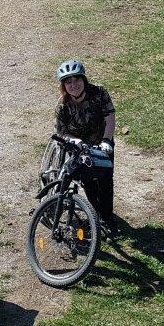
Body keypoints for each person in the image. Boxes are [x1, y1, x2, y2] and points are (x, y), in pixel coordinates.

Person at [53, 59, 119, 234]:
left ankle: (107, 216)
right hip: (80, 146)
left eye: (77, 80)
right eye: (68, 82)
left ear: (84, 80)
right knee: (88, 180)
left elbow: (110, 117)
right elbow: (62, 132)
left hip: (102, 141)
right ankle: (95, 214)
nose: (73, 85)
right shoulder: (62, 106)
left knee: (105, 179)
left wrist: (106, 140)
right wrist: (76, 142)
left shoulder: (99, 93)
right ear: (64, 86)